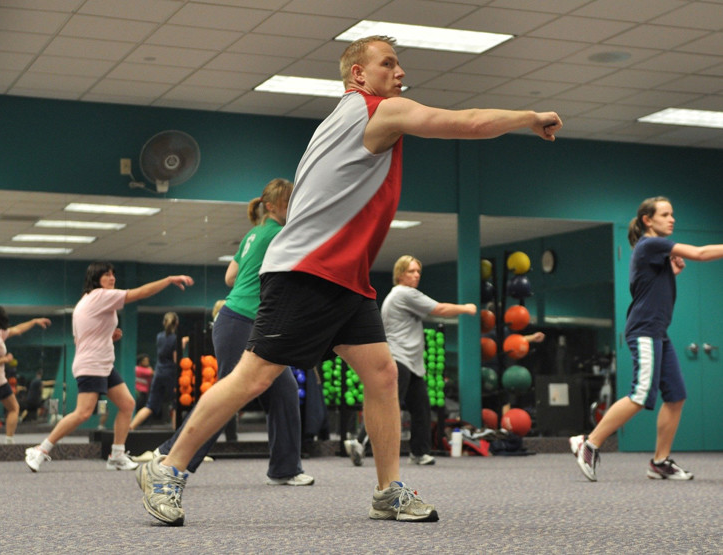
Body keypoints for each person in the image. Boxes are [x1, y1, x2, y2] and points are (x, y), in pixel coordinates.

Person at [137, 35, 561, 527]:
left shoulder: (342, 119)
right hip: (306, 272)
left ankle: (387, 491)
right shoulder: (375, 111)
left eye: (399, 64)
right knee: (254, 378)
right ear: (358, 74)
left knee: (382, 375)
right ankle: (167, 468)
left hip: (346, 279)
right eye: (388, 64)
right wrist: (527, 118)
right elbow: (465, 122)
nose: (400, 73)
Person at [149, 178, 313, 486]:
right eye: (289, 202)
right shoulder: (278, 234)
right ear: (271, 206)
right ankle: (169, 454)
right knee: (229, 395)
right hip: (241, 321)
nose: (295, 207)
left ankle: (285, 468)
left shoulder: (254, 234)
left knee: (285, 390)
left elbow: (230, 277)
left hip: (247, 321)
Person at [570, 196, 723, 481]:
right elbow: (700, 253)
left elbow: (651, 286)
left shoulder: (655, 251)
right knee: (641, 394)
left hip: (658, 332)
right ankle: (588, 443)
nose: (672, 219)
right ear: (647, 220)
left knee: (676, 396)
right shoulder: (651, 244)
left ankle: (660, 462)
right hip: (645, 330)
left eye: (672, 214)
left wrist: (671, 272)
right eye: (665, 214)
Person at [24, 262, 193, 472]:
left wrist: (107, 336)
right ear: (96, 279)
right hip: (92, 365)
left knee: (127, 404)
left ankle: (117, 455)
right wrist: (168, 280)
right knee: (83, 413)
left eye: (113, 274)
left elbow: (82, 338)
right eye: (106, 275)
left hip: (103, 363)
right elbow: (139, 293)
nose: (112, 278)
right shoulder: (100, 295)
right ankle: (40, 450)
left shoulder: (87, 300)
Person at [344, 255, 477, 467]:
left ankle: (419, 452)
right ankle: (359, 442)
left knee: (421, 408)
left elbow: (433, 314)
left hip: (411, 363)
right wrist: (466, 308)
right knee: (386, 407)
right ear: (400, 274)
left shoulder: (400, 296)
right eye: (411, 271)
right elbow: (439, 310)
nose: (416, 275)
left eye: (418, 272)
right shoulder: (404, 293)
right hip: (399, 360)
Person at [0, 305, 51, 444]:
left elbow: (17, 329)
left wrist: (34, 321)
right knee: (14, 408)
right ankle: (9, 441)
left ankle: (1, 441)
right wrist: (6, 359)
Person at [129, 312, 188, 430]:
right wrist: (182, 344)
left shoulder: (159, 336)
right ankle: (176, 434)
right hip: (171, 374)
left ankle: (130, 427)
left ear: (164, 323)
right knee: (176, 404)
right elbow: (176, 359)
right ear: (177, 323)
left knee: (150, 405)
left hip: (159, 372)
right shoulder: (175, 339)